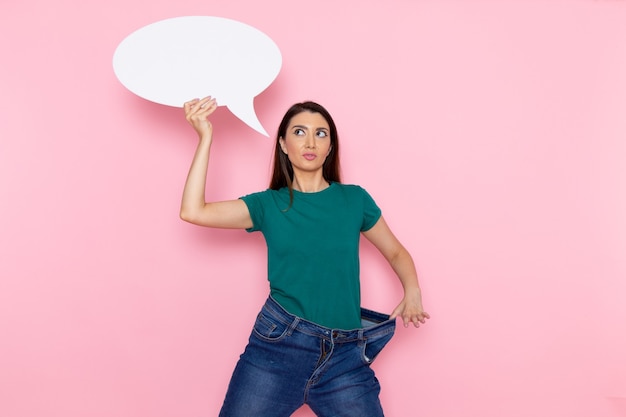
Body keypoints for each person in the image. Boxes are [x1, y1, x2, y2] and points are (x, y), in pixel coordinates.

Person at [180, 96, 430, 417]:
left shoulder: (354, 200)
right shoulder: (267, 205)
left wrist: (412, 291)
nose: (310, 141)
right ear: (283, 144)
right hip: (278, 348)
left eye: (321, 133)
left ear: (330, 147)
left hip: (345, 358)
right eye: (299, 132)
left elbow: (396, 252)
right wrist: (205, 137)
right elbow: (193, 210)